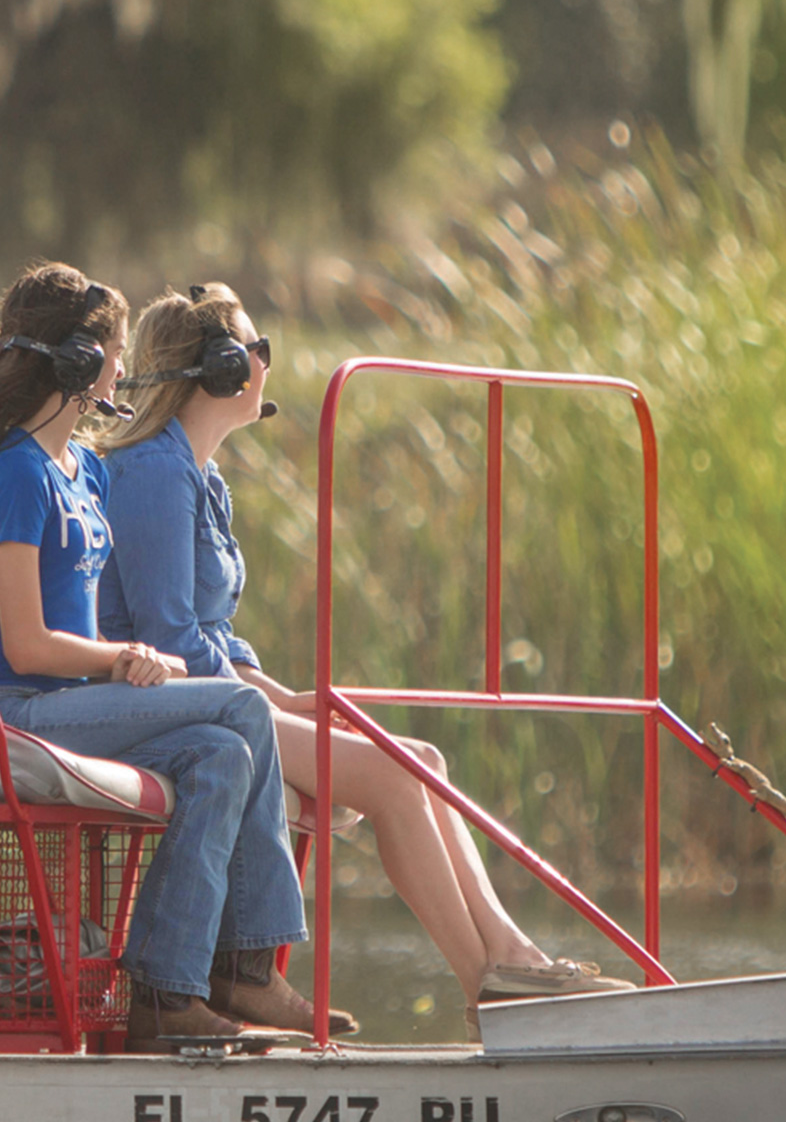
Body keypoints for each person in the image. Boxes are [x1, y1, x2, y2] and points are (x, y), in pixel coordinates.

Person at [96, 283, 633, 1011]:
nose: (264, 363)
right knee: (390, 776)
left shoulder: (201, 474)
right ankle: (492, 987)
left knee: (427, 761)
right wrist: (272, 706)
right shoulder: (156, 471)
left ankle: (508, 960)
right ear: (221, 369)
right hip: (172, 705)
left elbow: (213, 631)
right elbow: (170, 637)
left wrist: (282, 696)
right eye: (258, 349)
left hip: (219, 694)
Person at [0, 264, 327, 1048]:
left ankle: (165, 996)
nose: (121, 369)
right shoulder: (18, 475)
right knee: (240, 708)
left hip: (70, 701)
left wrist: (122, 660)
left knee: (219, 754)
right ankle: (250, 963)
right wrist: (119, 660)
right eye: (109, 352)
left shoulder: (81, 471)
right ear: (73, 363)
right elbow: (25, 644)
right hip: (13, 707)